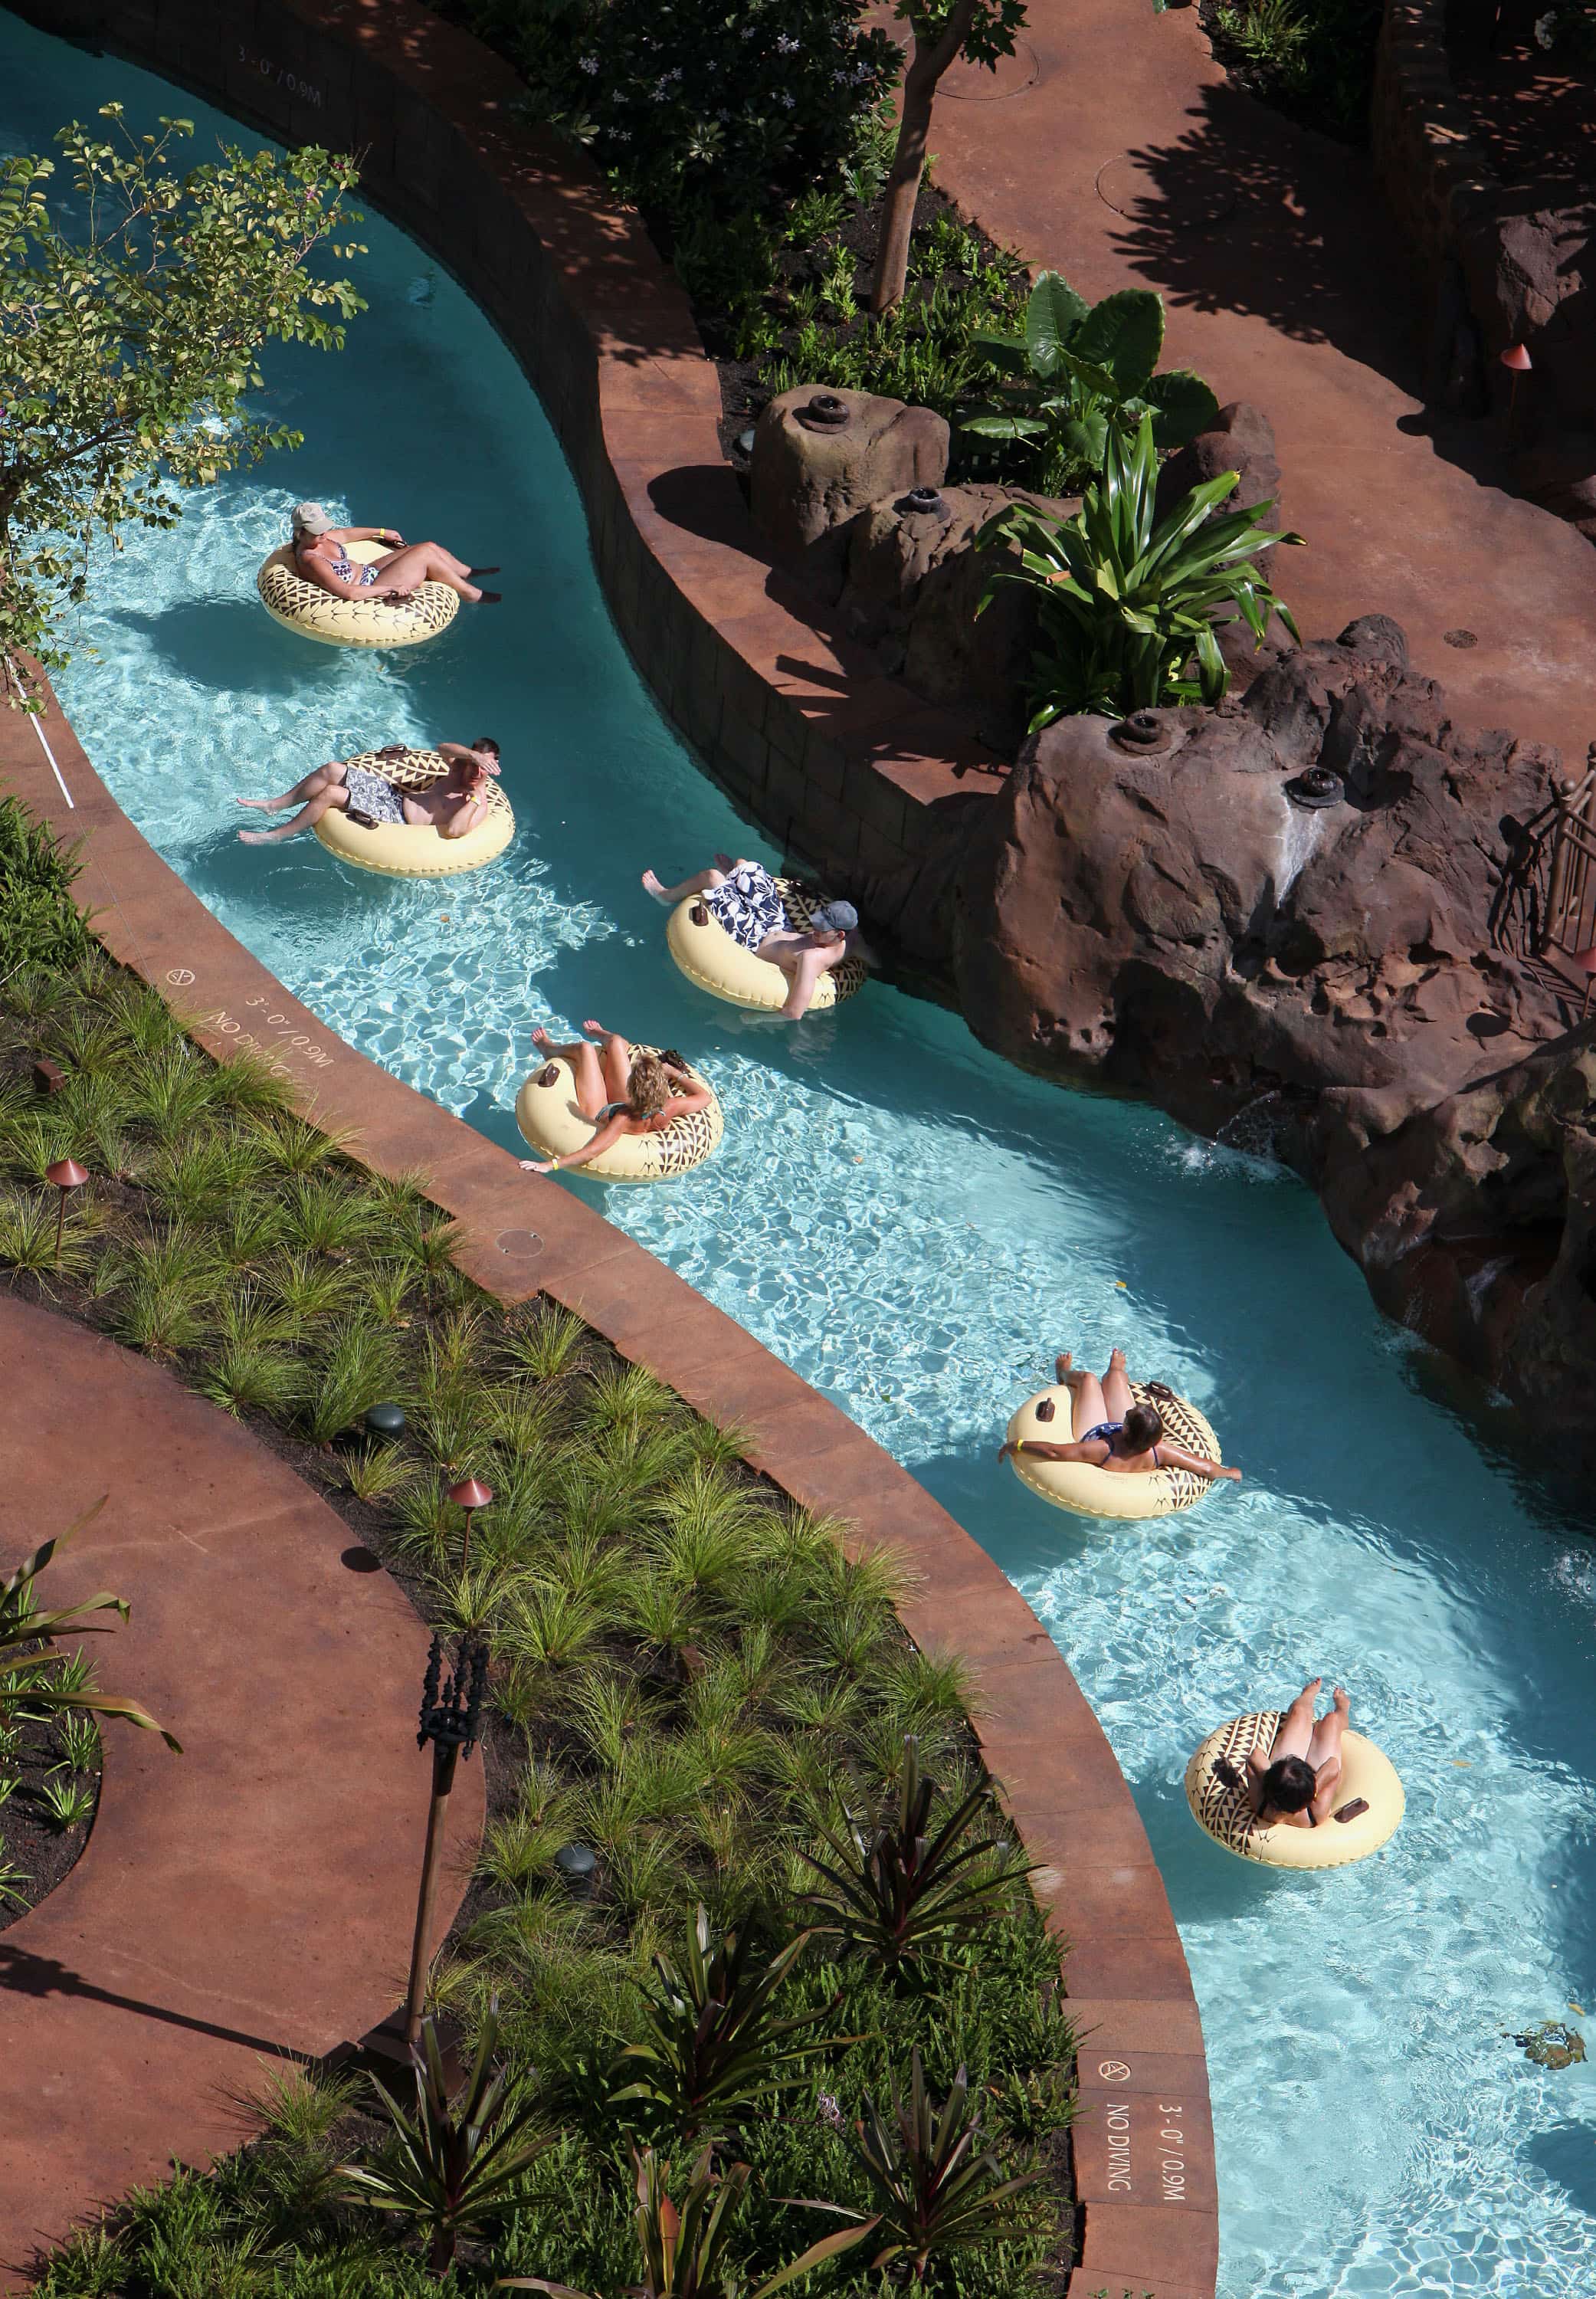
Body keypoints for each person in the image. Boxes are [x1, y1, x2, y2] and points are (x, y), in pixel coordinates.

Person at [641, 853, 872, 1020]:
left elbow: (794, 1013)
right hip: (780, 924)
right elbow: (875, 961)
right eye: (818, 922)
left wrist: (757, 1019)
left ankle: (665, 896)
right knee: (745, 864)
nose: (815, 929)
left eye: (822, 929)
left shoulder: (812, 959)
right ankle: (732, 875)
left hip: (752, 937)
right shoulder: (853, 939)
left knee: (711, 877)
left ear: (839, 934)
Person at [995, 1348, 1240, 1484]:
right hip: (1127, 1438)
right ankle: (1116, 1372)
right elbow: (1205, 1467)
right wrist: (1230, 1473)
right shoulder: (1160, 1450)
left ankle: (1065, 1375)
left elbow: (1054, 1452)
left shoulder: (1102, 1449)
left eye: (1128, 1416)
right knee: (1114, 1377)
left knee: (1089, 1380)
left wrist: (1016, 1444)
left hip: (1095, 1431)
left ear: (1125, 1428)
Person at [518, 1022, 713, 1176]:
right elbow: (705, 1098)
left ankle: (548, 1049)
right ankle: (602, 1034)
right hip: (632, 1104)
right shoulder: (669, 1107)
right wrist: (674, 1073)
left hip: (600, 1111)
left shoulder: (622, 1120)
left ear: (633, 1086)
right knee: (617, 1042)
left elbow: (591, 1152)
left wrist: (548, 1165)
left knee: (585, 1049)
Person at [236, 738, 501, 845]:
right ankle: (276, 805)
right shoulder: (459, 769)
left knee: (331, 794)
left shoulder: (478, 802)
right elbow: (442, 747)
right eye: (475, 766)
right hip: (394, 797)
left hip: (398, 818)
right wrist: (472, 756)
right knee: (332, 770)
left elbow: (455, 830)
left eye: (483, 768)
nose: (477, 773)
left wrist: (476, 796)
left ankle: (276, 836)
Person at [1211, 1679, 1359, 1829]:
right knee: (1332, 1721)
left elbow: (1255, 1756)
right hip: (1316, 1778)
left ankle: (1308, 1695)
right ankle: (1342, 1711)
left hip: (1292, 1786)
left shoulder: (1261, 1805)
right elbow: (1333, 1765)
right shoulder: (1315, 1815)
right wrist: (1313, 1787)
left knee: (1299, 1712)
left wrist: (1273, 1781)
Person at [287, 502, 500, 605]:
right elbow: (348, 593)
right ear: (299, 533)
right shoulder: (312, 560)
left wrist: (382, 532)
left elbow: (347, 534)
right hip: (370, 586)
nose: (324, 534)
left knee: (430, 545)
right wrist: (391, 587)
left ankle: (467, 572)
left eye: (324, 528)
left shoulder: (322, 537)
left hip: (369, 571)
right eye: (317, 532)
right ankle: (470, 594)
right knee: (425, 554)